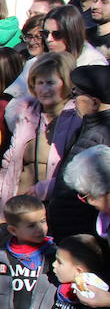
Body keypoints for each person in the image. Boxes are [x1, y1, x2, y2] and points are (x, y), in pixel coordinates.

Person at [0, 52, 78, 216]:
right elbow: (10, 161)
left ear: (67, 83)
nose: (44, 89)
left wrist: (48, 188)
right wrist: (1, 203)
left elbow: (77, 174)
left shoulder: (77, 117)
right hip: (18, 210)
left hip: (54, 212)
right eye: (39, 82)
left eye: (50, 83)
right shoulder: (27, 112)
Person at [45, 65, 110, 239]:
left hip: (76, 235)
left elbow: (72, 199)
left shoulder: (96, 137)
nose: (73, 102)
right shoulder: (89, 128)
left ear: (95, 103)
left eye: (76, 95)